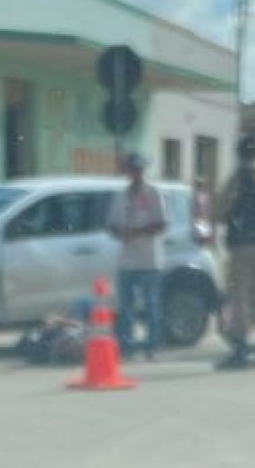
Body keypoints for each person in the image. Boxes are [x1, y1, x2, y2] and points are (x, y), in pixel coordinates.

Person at [214, 135, 255, 370]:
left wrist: (218, 218)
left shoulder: (240, 177)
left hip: (243, 245)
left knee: (240, 295)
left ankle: (241, 349)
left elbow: (221, 207)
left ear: (239, 154)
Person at [106, 153, 169, 360]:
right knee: (126, 307)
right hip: (127, 260)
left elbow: (161, 224)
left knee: (152, 305)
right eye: (131, 169)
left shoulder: (153, 193)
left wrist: (139, 232)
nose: (135, 173)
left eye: (138, 169)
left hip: (149, 259)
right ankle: (127, 348)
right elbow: (111, 225)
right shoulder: (121, 196)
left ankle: (153, 347)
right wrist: (120, 233)